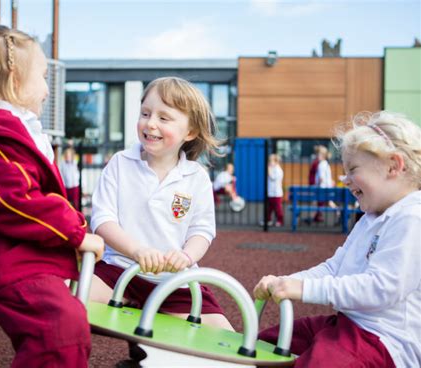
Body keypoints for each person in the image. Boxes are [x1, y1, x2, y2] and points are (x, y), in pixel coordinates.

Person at [0, 26, 105, 368]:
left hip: (13, 252)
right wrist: (76, 231)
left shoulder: (9, 130)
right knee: (60, 326)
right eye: (44, 77)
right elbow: (15, 200)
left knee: (70, 316)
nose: (48, 91)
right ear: (13, 79)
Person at [253, 111, 421, 368]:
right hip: (349, 326)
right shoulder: (370, 218)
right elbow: (335, 268)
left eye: (353, 169)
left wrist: (305, 290)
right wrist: (288, 282)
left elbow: (381, 289)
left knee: (321, 363)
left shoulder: (412, 217)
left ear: (393, 166)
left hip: (386, 341)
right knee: (268, 342)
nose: (345, 180)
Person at [90, 76, 233, 330]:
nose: (150, 123)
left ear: (190, 132)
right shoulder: (121, 163)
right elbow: (103, 220)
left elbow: (201, 231)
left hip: (175, 281)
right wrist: (137, 251)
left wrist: (186, 256)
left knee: (225, 336)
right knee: (68, 302)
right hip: (119, 270)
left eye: (163, 118)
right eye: (145, 113)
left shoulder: (196, 177)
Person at [314, 145, 337, 222]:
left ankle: (338, 213)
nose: (317, 156)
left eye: (318, 154)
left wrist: (317, 185)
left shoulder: (321, 165)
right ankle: (338, 213)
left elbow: (321, 178)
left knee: (322, 203)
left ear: (323, 155)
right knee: (329, 202)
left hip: (322, 187)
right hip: (327, 187)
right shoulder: (326, 163)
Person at [59, 144, 81, 210]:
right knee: (67, 201)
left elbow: (77, 173)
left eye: (69, 155)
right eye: (66, 155)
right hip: (66, 186)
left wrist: (71, 146)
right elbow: (61, 174)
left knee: (75, 202)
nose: (68, 156)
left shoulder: (74, 162)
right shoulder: (62, 164)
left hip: (74, 186)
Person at [267, 153, 284, 227]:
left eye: (272, 161)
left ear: (276, 162)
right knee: (269, 208)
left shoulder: (277, 169)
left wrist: (269, 170)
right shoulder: (273, 168)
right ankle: (268, 220)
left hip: (276, 193)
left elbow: (272, 178)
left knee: (278, 208)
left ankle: (280, 220)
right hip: (271, 192)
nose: (270, 163)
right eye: (270, 161)